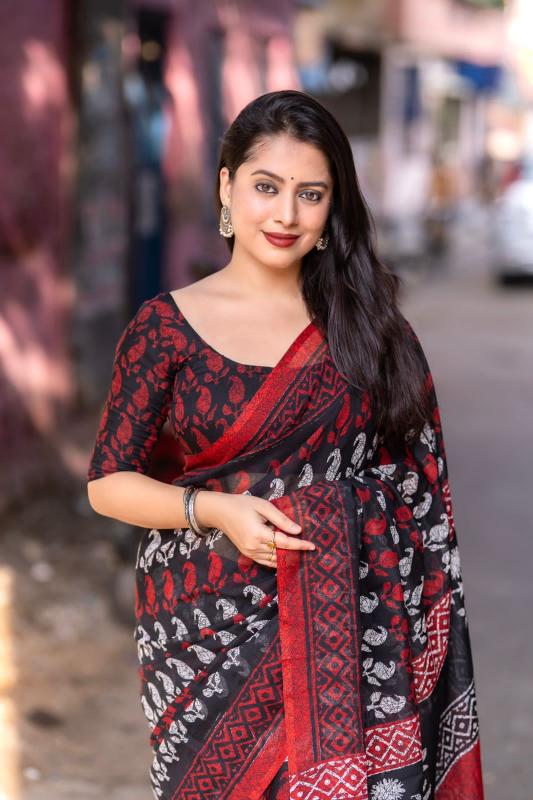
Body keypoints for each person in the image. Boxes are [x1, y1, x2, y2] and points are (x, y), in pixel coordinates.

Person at [87, 90, 484, 800]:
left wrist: (343, 519)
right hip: (207, 635)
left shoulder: (371, 329)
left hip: (356, 638)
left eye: (311, 194)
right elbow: (108, 483)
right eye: (266, 187)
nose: (286, 215)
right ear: (226, 187)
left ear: (333, 207)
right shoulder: (165, 328)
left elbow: (419, 494)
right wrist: (216, 510)